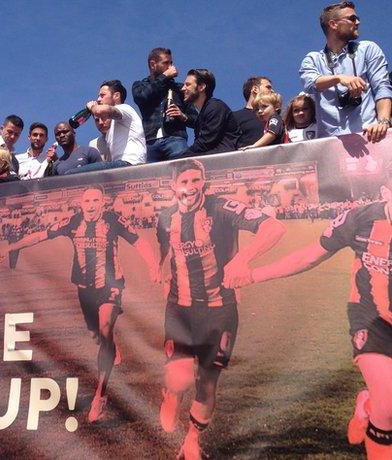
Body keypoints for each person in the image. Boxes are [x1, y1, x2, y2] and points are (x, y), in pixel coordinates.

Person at [230, 170, 392, 459]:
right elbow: (308, 256)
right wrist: (254, 275)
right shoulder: (360, 219)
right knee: (389, 403)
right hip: (372, 320)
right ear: (385, 192)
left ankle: (367, 403)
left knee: (383, 401)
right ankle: (377, 406)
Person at [157, 159, 285, 459]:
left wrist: (243, 259)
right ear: (173, 187)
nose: (190, 187)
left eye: (196, 180)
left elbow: (273, 227)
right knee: (179, 377)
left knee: (207, 380)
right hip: (180, 309)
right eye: (184, 182)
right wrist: (162, 268)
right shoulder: (165, 217)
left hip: (220, 310)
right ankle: (172, 393)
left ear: (204, 182)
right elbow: (165, 250)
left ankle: (191, 440)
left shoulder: (222, 208)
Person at [6, 186, 159, 422]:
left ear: (103, 202)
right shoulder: (73, 222)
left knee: (106, 327)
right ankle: (110, 345)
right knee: (97, 333)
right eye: (87, 200)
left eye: (95, 200)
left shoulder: (113, 220)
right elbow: (41, 235)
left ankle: (101, 394)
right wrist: (12, 247)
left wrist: (152, 264)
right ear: (81, 203)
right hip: (85, 290)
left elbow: (138, 242)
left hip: (111, 285)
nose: (90, 205)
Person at [299, 2, 392, 142]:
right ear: (333, 24)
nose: (358, 22)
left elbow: (382, 88)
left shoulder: (368, 49)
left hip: (370, 139)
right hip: (331, 146)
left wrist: (383, 122)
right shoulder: (313, 59)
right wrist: (339, 78)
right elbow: (311, 83)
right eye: (352, 19)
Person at [132, 47, 196, 162]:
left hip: (175, 139)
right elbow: (141, 97)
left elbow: (196, 119)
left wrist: (183, 116)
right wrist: (165, 76)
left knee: (182, 171)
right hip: (150, 142)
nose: (170, 67)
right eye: (166, 63)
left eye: (171, 63)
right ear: (153, 65)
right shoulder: (140, 85)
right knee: (151, 178)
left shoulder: (179, 89)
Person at [68, 80, 146, 174]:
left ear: (116, 96)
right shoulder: (112, 126)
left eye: (102, 95)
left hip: (130, 163)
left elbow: (99, 111)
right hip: (119, 166)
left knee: (71, 175)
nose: (98, 99)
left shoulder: (125, 109)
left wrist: (92, 106)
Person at [180, 69, 242, 157]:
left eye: (188, 85)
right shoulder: (200, 118)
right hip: (214, 163)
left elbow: (205, 143)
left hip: (226, 163)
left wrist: (178, 159)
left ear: (201, 87)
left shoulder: (215, 107)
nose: (183, 88)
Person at [233, 76, 274, 146]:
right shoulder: (233, 117)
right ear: (255, 89)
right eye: (268, 87)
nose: (273, 91)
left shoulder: (275, 118)